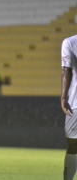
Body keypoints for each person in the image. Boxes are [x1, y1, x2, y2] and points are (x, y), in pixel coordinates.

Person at [61, 34, 77, 180]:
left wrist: (63, 97)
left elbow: (67, 71)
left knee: (73, 145)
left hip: (75, 103)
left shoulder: (70, 42)